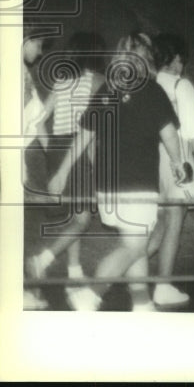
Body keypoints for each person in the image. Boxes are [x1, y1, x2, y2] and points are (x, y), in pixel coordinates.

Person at [57, 32, 188, 311]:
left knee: (133, 241)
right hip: (138, 184)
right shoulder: (153, 92)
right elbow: (170, 135)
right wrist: (179, 164)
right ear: (148, 58)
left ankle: (142, 305)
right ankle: (91, 293)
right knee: (134, 247)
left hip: (108, 185)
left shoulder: (106, 90)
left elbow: (84, 135)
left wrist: (62, 171)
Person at [26, 32, 106, 305]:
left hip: (59, 149)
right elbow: (92, 131)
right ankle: (42, 260)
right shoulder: (97, 82)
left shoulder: (62, 81)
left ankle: (74, 274)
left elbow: (38, 122)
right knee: (83, 219)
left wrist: (51, 152)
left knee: (74, 214)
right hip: (79, 149)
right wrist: (98, 165)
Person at [145, 33, 194, 308]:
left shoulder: (148, 82)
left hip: (148, 159)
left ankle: (129, 270)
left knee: (159, 222)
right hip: (176, 158)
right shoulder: (182, 86)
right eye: (181, 58)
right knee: (173, 222)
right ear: (176, 58)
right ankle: (163, 286)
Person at [22, 32, 49, 311]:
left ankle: (33, 291)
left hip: (27, 161)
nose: (40, 52)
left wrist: (53, 158)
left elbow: (39, 121)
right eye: (38, 44)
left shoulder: (25, 75)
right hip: (14, 162)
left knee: (28, 228)